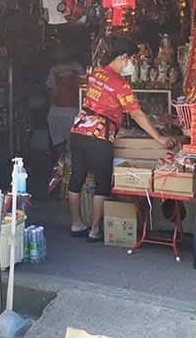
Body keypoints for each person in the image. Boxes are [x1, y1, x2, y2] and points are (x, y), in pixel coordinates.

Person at [69, 36, 173, 241]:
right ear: (124, 57)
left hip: (79, 129)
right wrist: (159, 137)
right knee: (102, 182)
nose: (133, 64)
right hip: (99, 134)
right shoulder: (120, 84)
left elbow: (100, 102)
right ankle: (95, 230)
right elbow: (137, 114)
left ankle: (76, 224)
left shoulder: (96, 73)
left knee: (77, 177)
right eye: (133, 59)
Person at [46, 48, 85, 180]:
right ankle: (66, 172)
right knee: (69, 144)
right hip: (67, 111)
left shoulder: (56, 70)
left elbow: (51, 92)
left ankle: (63, 171)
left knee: (61, 144)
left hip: (63, 111)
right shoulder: (76, 68)